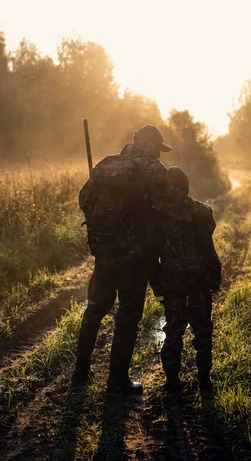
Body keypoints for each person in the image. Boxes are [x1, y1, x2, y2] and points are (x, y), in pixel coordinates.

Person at [74, 125, 201, 394]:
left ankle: (80, 373)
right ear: (144, 144)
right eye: (157, 147)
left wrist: (106, 229)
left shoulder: (107, 164)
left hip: (104, 251)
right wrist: (200, 211)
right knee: (128, 315)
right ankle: (117, 381)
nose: (159, 153)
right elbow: (172, 203)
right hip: (134, 256)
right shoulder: (151, 168)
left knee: (96, 307)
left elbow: (83, 199)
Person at [156, 166, 221, 393]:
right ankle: (205, 380)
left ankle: (172, 382)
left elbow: (150, 251)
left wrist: (157, 281)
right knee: (202, 329)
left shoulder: (157, 217)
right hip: (198, 279)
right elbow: (209, 239)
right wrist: (214, 275)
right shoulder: (198, 211)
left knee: (173, 329)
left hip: (173, 280)